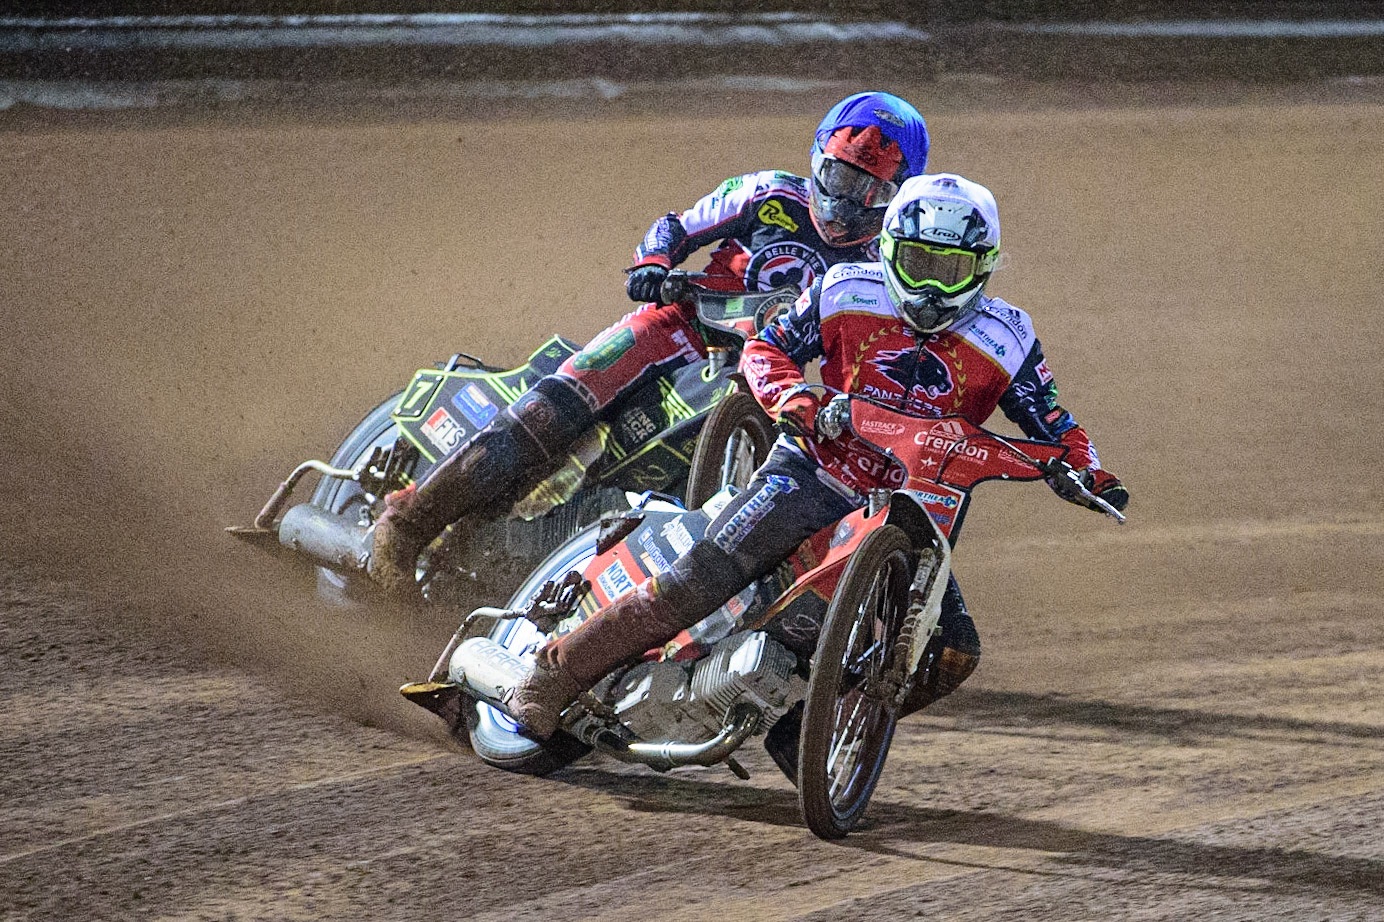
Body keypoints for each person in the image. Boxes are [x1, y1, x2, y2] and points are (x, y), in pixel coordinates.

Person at [504, 173, 1130, 764]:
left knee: (954, 651)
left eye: (950, 270)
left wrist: (1087, 471)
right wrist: (793, 398)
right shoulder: (843, 289)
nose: (931, 288)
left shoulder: (1011, 337)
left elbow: (1055, 422)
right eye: (918, 262)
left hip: (916, 508)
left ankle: (805, 732)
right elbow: (767, 347)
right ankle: (554, 672)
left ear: (984, 268)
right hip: (812, 469)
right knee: (703, 576)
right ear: (889, 247)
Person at [368, 91, 932, 594]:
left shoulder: (884, 264)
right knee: (554, 407)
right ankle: (407, 523)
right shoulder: (768, 193)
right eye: (840, 179)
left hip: (764, 378)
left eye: (870, 190)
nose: (848, 202)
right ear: (817, 159)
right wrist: (653, 264)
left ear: (897, 195)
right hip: (677, 327)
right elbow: (676, 227)